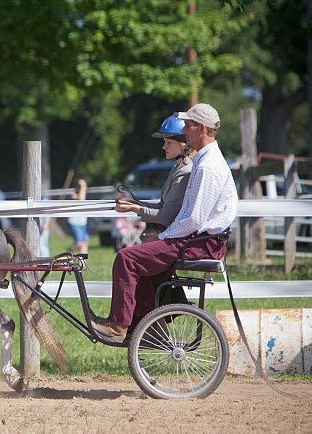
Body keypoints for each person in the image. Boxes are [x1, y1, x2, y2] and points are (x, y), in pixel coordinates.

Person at [90, 103, 238, 342]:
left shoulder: (209, 166)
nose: (184, 131)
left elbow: (194, 218)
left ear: (200, 128)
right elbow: (188, 215)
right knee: (140, 258)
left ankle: (119, 325)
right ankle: (150, 328)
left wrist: (162, 237)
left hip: (201, 242)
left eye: (187, 126)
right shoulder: (203, 161)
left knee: (126, 258)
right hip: (198, 238)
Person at [115, 115, 195, 243]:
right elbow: (162, 206)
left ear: (183, 145)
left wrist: (134, 208)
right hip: (170, 235)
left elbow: (166, 217)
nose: (164, 147)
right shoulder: (178, 167)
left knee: (126, 256)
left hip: (175, 240)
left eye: (168, 143)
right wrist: (134, 203)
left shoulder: (185, 171)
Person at [67, 178, 89, 253]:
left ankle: (83, 263)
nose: (82, 187)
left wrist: (83, 186)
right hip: (74, 222)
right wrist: (83, 186)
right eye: (80, 185)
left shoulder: (82, 194)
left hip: (83, 222)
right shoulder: (74, 195)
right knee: (79, 243)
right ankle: (67, 252)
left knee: (84, 244)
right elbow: (80, 198)